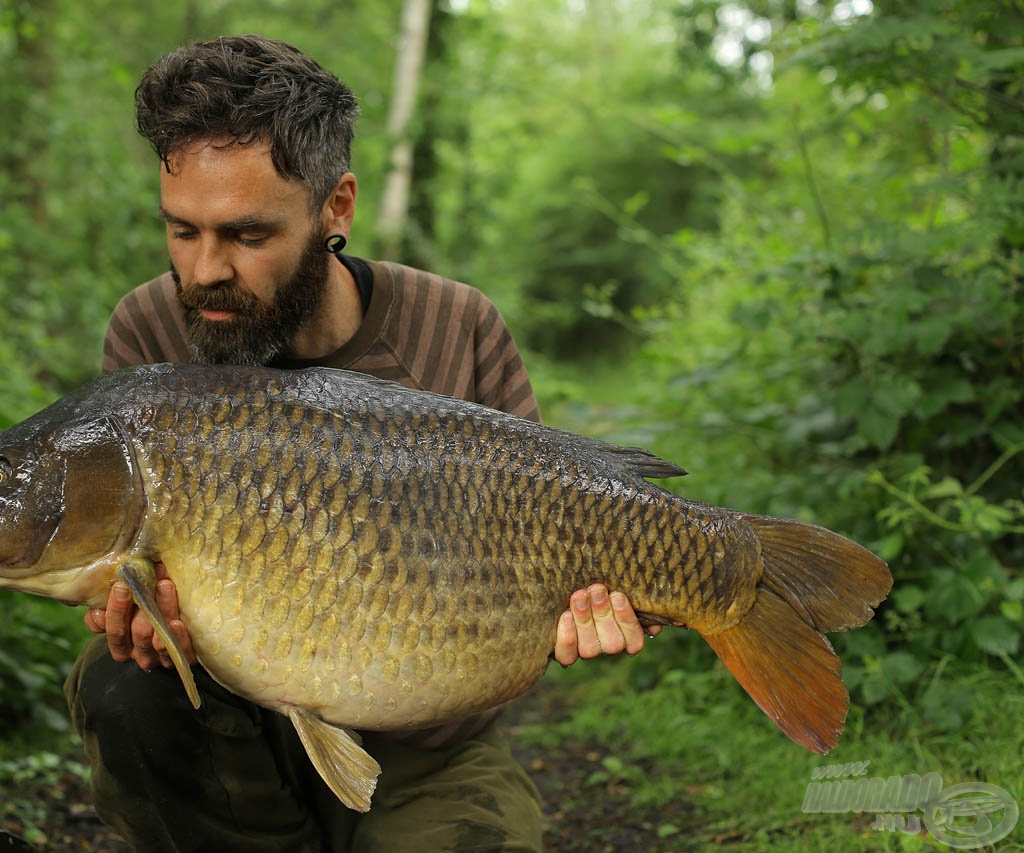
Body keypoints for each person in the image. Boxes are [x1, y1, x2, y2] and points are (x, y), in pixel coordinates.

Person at [65, 35, 658, 852]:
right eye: (181, 231)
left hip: (427, 750)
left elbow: (557, 529)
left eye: (245, 235)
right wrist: (141, 622)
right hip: (227, 731)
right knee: (120, 688)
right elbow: (128, 573)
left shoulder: (458, 326)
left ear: (335, 207)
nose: (204, 270)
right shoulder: (151, 329)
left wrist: (596, 604)